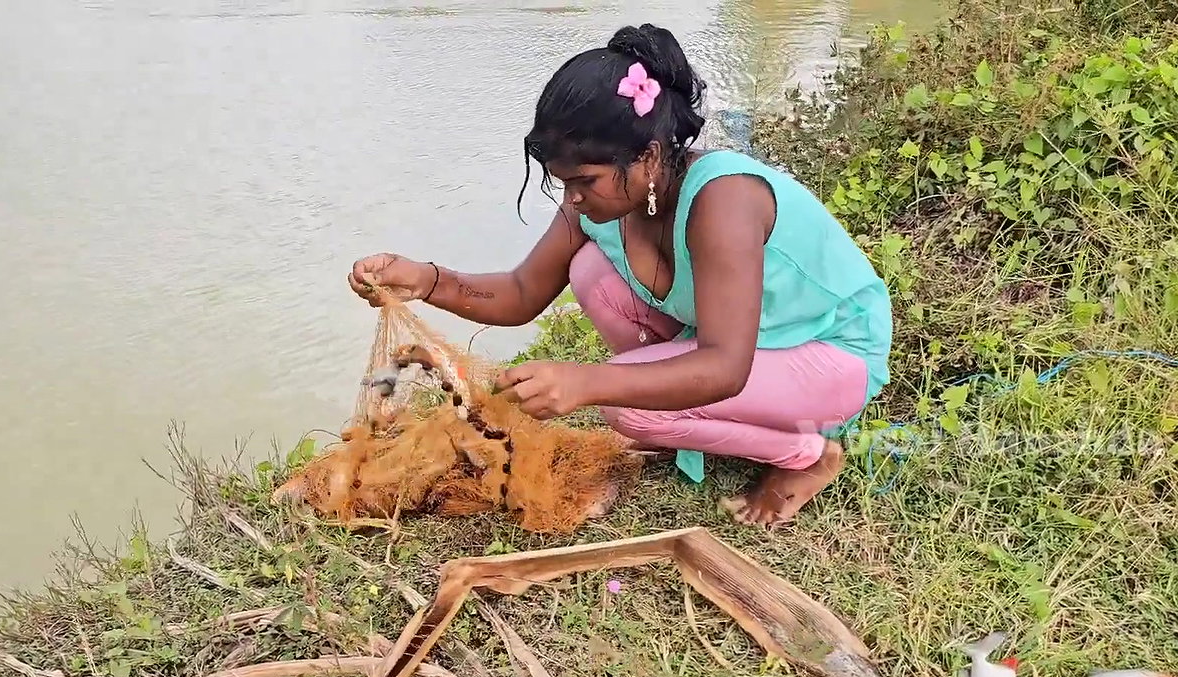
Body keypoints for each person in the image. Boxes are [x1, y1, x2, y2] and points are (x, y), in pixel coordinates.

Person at [347, 23, 892, 527]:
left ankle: (807, 453)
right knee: (590, 270)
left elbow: (726, 366)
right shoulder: (599, 205)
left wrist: (590, 383)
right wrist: (426, 279)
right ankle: (682, 416)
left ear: (649, 157)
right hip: (742, 348)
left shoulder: (724, 200)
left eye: (584, 179)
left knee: (623, 403)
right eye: (562, 182)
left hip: (829, 357)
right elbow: (518, 293)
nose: (573, 198)